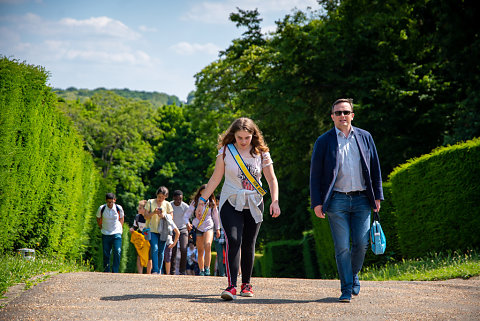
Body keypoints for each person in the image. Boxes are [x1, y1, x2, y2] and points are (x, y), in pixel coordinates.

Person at [195, 117, 281, 300]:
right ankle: (232, 286)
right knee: (234, 240)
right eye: (239, 137)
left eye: (247, 138)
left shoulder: (262, 153)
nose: (243, 141)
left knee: (249, 242)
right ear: (233, 135)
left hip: (254, 202)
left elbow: (272, 179)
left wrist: (275, 201)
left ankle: (247, 284)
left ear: (253, 135)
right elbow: (216, 178)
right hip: (231, 201)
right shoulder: (226, 151)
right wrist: (202, 200)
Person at [310, 98, 383, 303]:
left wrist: (377, 196)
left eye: (346, 112)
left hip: (362, 200)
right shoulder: (323, 141)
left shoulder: (365, 137)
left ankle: (353, 275)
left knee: (360, 244)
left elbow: (375, 168)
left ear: (352, 115)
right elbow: (315, 175)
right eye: (338, 113)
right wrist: (317, 202)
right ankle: (346, 288)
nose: (343, 116)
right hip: (336, 201)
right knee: (342, 247)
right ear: (332, 117)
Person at [184, 185, 220, 276]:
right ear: (200, 192)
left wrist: (218, 228)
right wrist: (188, 223)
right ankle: (201, 269)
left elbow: (216, 216)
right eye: (204, 191)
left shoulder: (211, 202)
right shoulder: (195, 202)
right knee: (200, 250)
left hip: (209, 226)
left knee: (208, 245)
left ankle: (207, 268)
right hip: (198, 227)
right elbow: (186, 215)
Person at [145, 186, 180, 274]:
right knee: (155, 248)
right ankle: (155, 270)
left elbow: (171, 217)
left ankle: (159, 270)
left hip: (163, 231)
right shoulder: (150, 202)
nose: (161, 199)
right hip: (152, 230)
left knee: (161, 251)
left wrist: (163, 215)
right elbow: (145, 216)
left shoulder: (167, 204)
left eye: (163, 197)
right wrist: (154, 212)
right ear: (157, 194)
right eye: (159, 196)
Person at [96, 193, 124, 273]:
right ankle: (106, 271)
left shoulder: (119, 208)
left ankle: (115, 271)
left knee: (117, 251)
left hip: (116, 233)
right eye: (108, 202)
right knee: (106, 254)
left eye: (112, 202)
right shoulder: (102, 208)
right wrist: (101, 226)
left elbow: (122, 218)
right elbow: (98, 218)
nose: (110, 204)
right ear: (106, 201)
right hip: (106, 233)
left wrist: (120, 227)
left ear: (114, 200)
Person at [170, 190, 190, 275]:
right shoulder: (170, 205)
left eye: (180, 199)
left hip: (183, 229)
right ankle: (172, 271)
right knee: (173, 249)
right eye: (177, 199)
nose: (179, 201)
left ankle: (182, 271)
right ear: (174, 198)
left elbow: (188, 218)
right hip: (173, 229)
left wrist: (189, 226)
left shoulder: (185, 206)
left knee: (184, 248)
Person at [129, 200, 152, 274]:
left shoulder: (150, 217)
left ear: (145, 209)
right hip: (140, 237)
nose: (138, 209)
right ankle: (140, 273)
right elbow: (135, 226)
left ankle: (148, 273)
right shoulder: (137, 217)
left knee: (149, 257)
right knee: (139, 255)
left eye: (140, 208)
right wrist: (132, 229)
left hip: (149, 237)